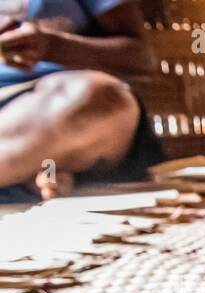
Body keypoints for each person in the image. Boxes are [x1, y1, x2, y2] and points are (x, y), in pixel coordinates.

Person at [0, 0, 160, 201]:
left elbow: (141, 57)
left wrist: (51, 46)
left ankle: (23, 173)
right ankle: (30, 172)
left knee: (103, 99)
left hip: (55, 104)